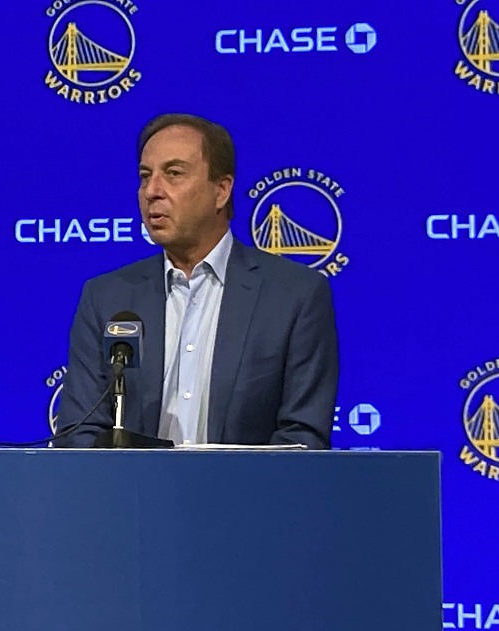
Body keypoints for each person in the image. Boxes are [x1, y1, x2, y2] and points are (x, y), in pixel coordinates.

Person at [56, 114, 338, 449]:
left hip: (249, 498)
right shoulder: (106, 298)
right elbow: (79, 433)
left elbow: (303, 438)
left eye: (173, 174)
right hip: (132, 498)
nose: (152, 191)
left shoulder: (295, 296)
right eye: (145, 177)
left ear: (221, 191)